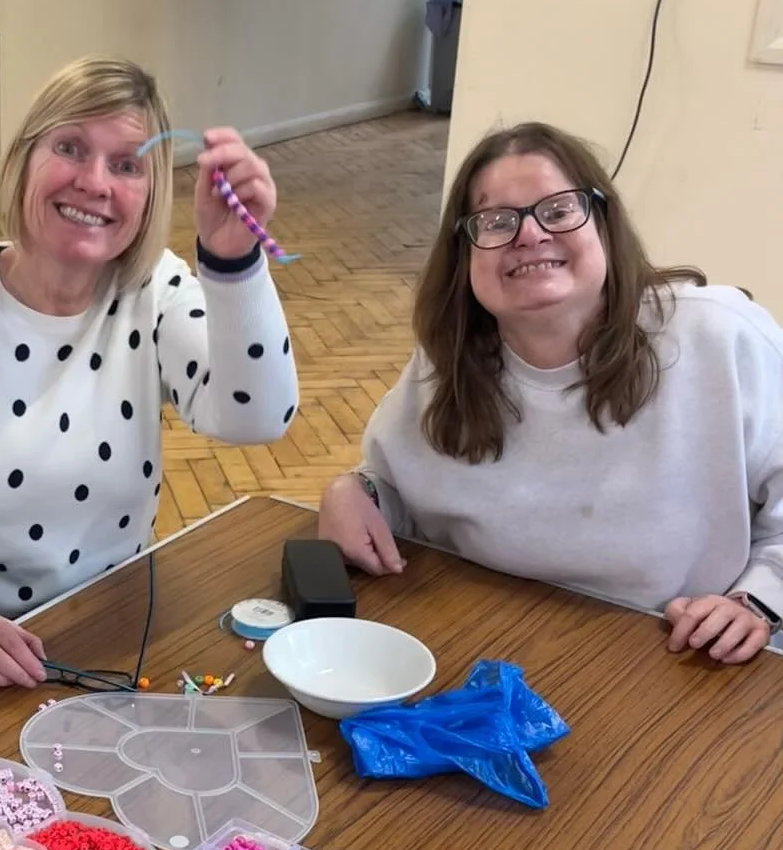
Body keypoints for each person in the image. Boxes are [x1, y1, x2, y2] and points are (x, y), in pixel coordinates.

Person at [0, 56, 300, 697]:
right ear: (23, 160)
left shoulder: (152, 289)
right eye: (70, 147)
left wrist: (232, 257)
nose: (94, 182)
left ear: (151, 191)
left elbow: (258, 417)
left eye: (127, 164)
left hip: (100, 635)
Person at [318, 121, 783, 664]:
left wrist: (757, 601)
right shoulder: (450, 355)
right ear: (465, 253)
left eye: (559, 210)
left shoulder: (720, 335)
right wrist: (354, 492)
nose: (529, 235)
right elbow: (395, 488)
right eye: (495, 221)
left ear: (603, 224)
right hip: (483, 639)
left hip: (679, 658)